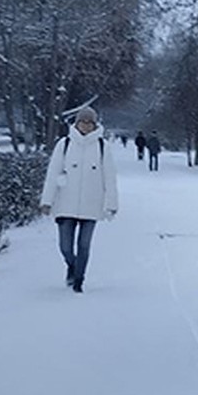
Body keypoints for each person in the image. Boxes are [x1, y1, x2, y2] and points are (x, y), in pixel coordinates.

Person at [39, 105, 118, 293]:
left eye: (90, 122)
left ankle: (79, 280)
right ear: (77, 123)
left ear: (94, 124)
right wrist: (46, 201)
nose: (86, 125)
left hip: (91, 204)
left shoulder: (102, 147)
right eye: (83, 121)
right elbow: (53, 173)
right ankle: (72, 265)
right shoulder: (64, 144)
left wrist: (111, 204)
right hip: (66, 203)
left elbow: (110, 177)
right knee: (65, 246)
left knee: (84, 245)